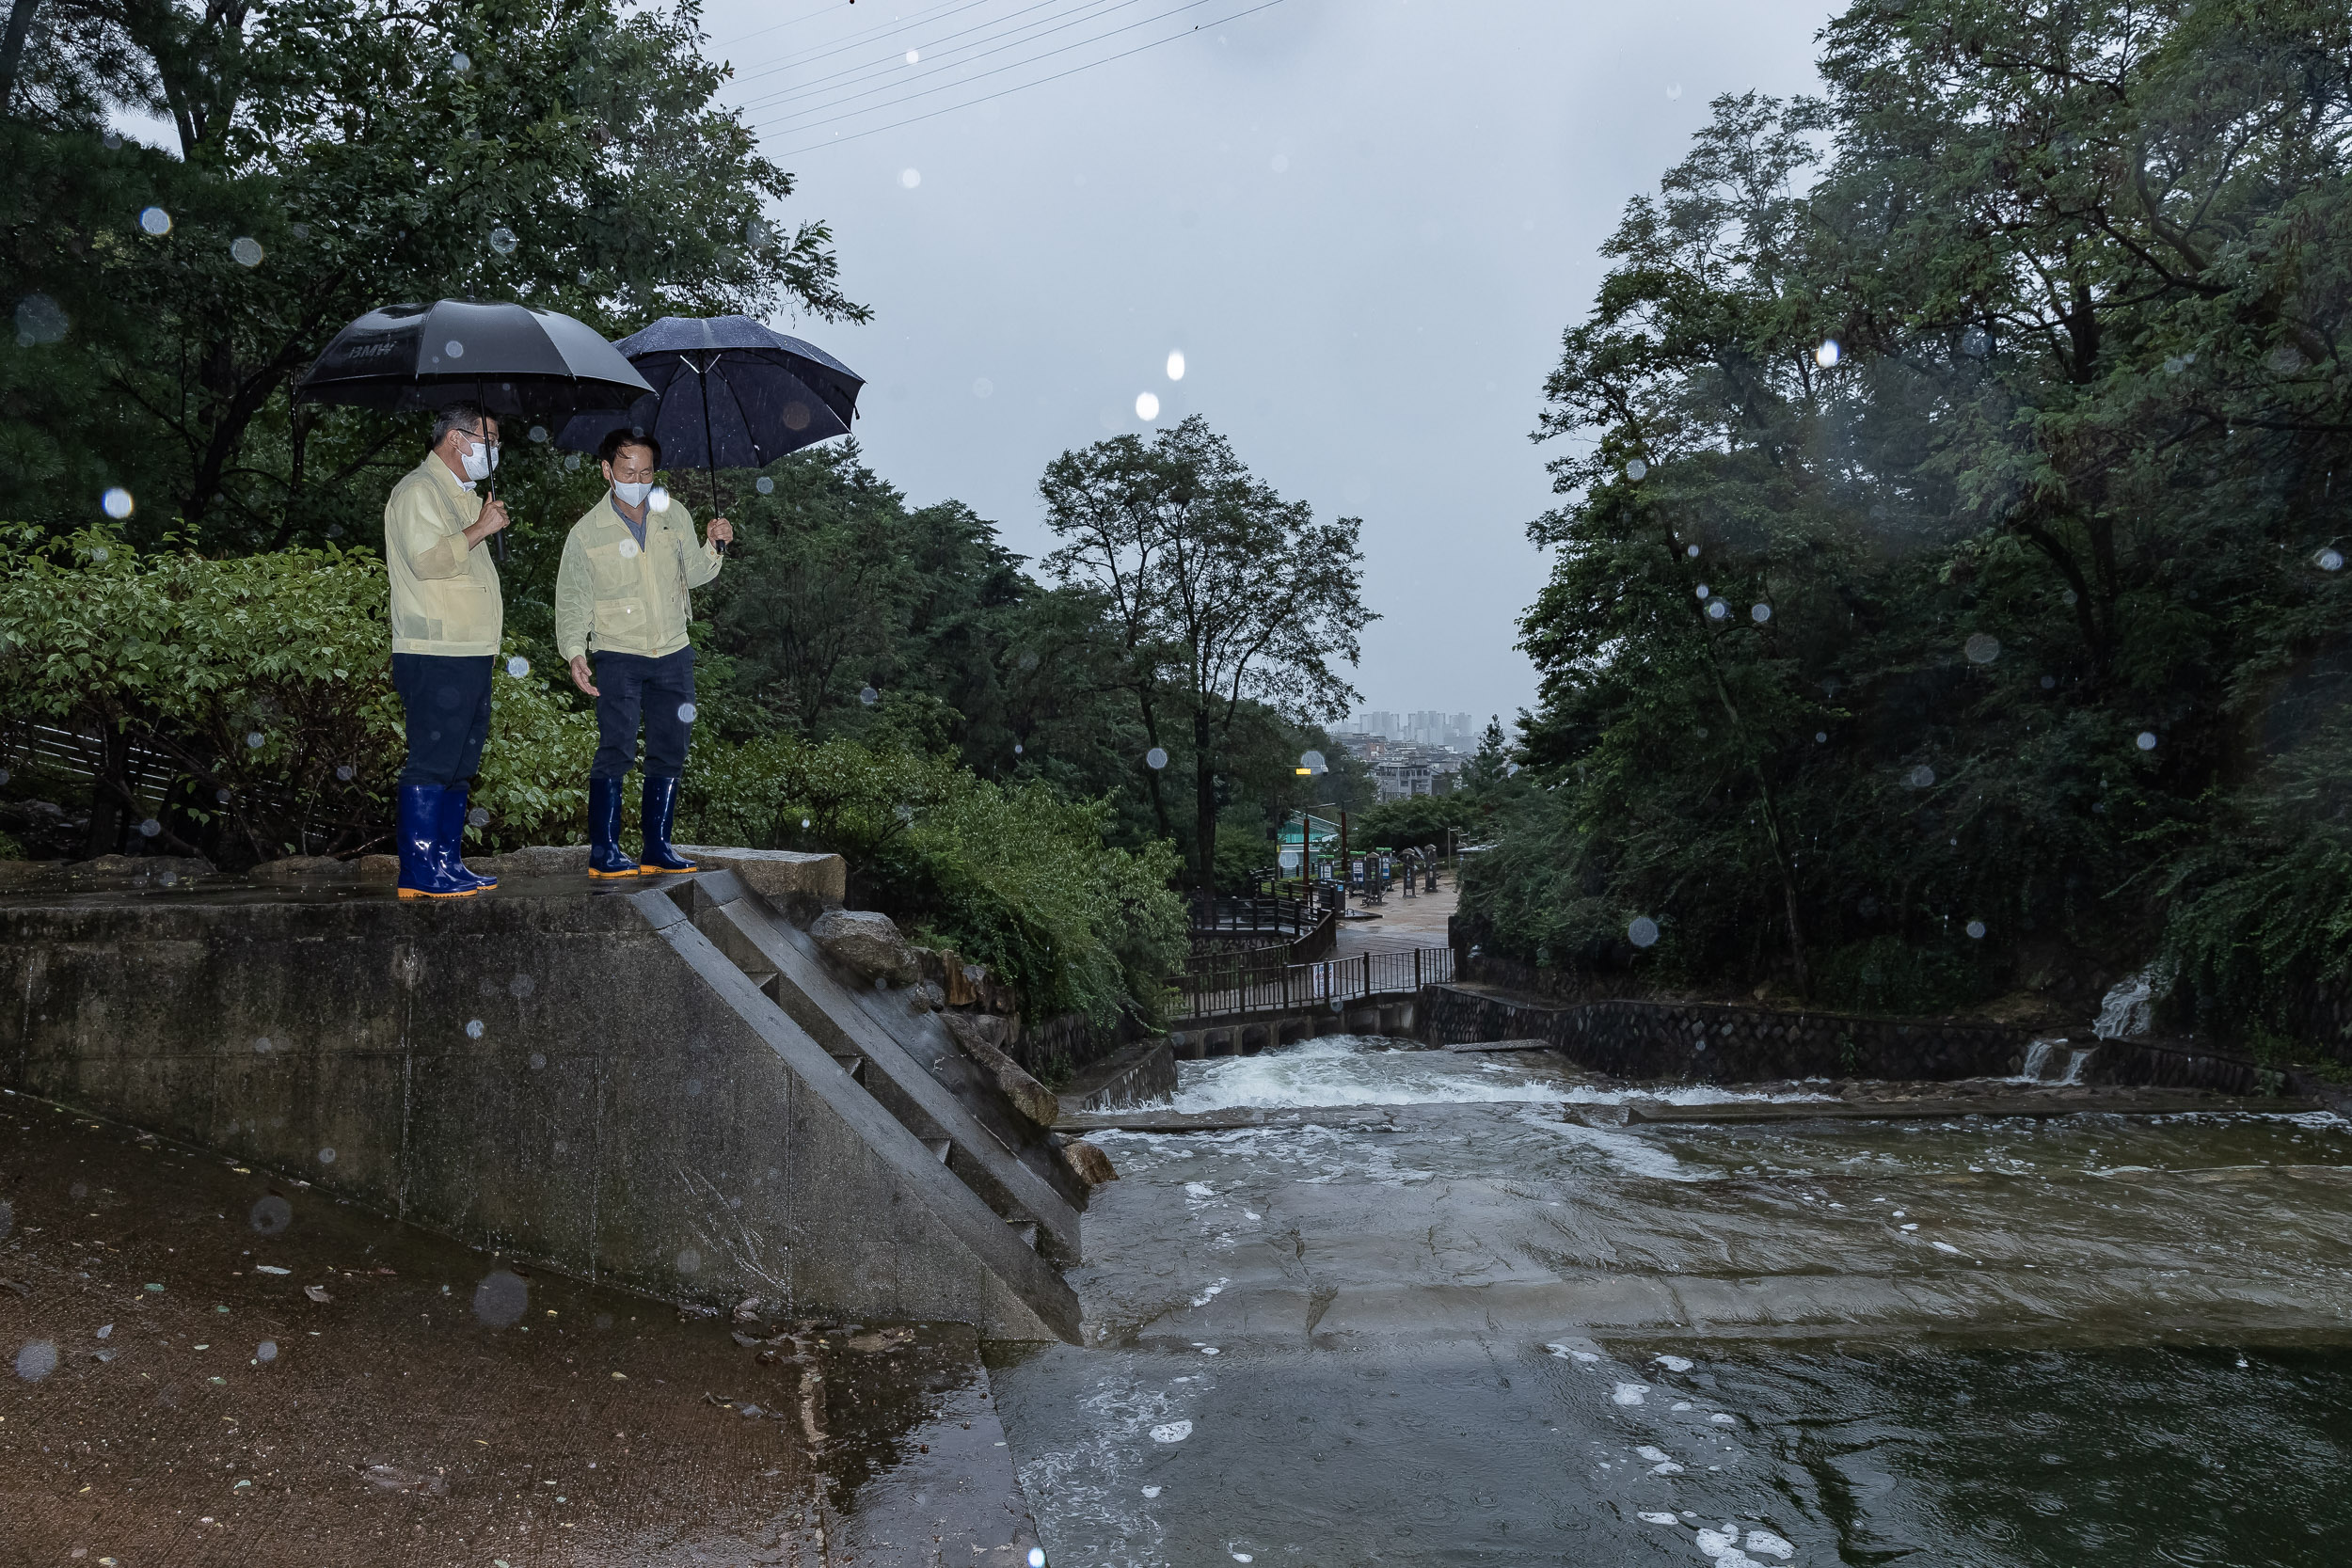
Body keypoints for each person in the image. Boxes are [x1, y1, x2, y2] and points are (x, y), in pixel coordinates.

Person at [554, 429, 732, 878]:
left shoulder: (675, 515)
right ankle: (605, 852)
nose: (638, 479)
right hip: (617, 652)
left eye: (647, 471)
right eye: (628, 470)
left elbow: (691, 574)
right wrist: (575, 650)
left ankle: (657, 848)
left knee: (671, 747)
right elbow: (573, 596)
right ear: (607, 471)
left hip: (674, 651)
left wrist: (714, 544)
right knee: (616, 747)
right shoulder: (586, 532)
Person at [383, 401, 510, 898]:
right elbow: (428, 562)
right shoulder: (419, 490)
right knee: (433, 760)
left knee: (460, 762)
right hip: (435, 648)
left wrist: (480, 519)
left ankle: (447, 863)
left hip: (470, 650)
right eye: (489, 439)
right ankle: (418, 873)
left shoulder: (461, 492)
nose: (494, 450)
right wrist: (481, 528)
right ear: (457, 439)